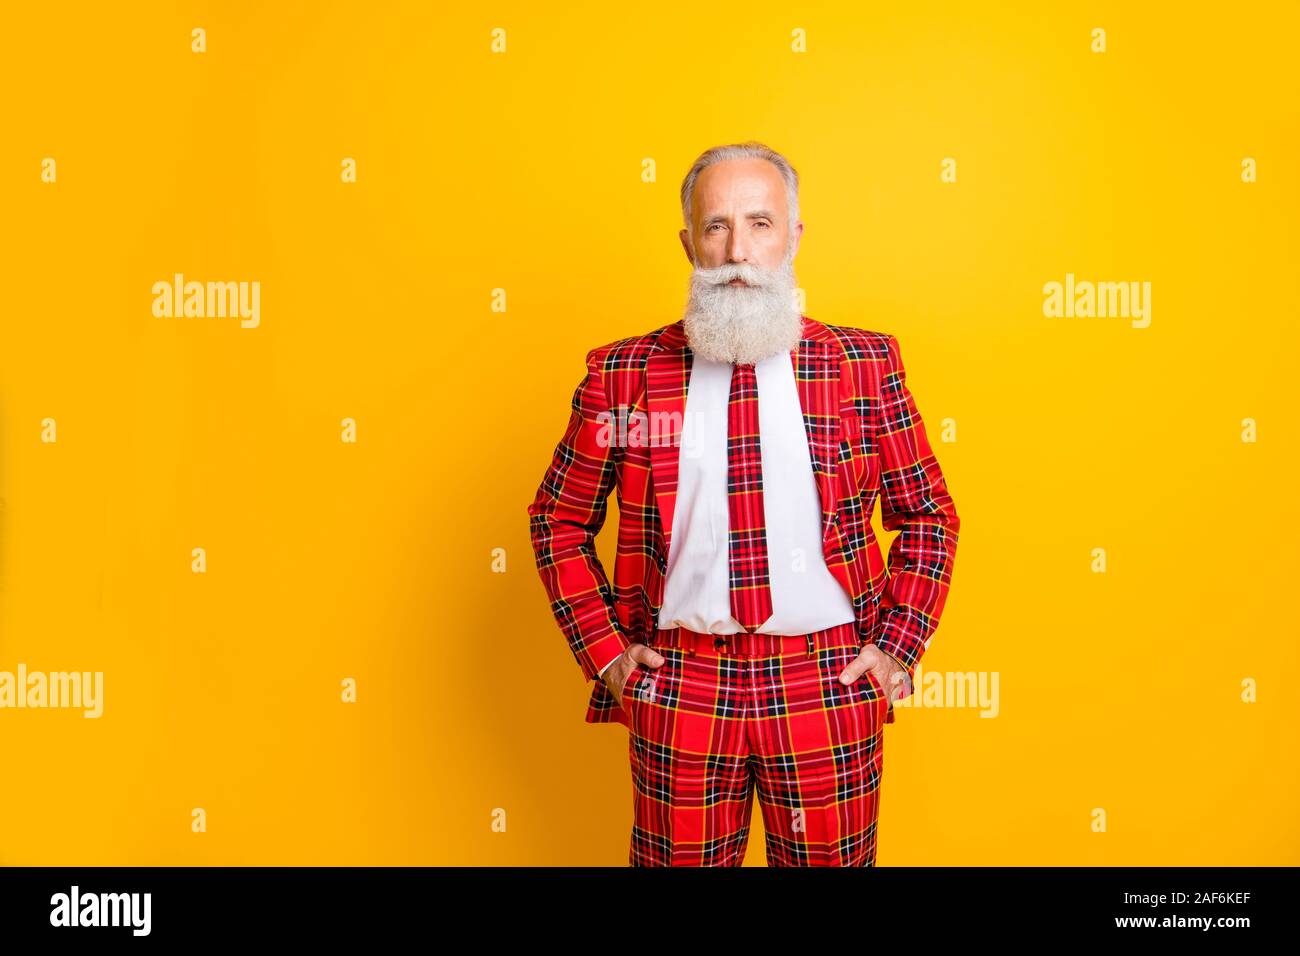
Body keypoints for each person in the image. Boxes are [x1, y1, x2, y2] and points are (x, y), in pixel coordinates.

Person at [527, 141, 960, 866]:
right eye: (717, 226)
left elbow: (928, 515)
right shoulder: (623, 374)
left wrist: (895, 648)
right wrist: (606, 656)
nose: (738, 251)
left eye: (760, 223)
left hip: (826, 681)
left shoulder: (863, 363)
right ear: (688, 242)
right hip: (681, 683)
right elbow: (558, 521)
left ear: (793, 236)